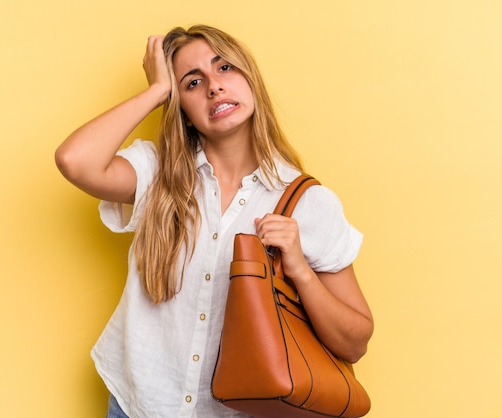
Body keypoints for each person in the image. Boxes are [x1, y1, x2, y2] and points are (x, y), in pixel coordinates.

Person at [55, 24, 373, 418]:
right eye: (192, 82)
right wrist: (156, 91)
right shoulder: (158, 174)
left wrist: (301, 270)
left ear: (250, 80)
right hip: (140, 405)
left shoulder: (307, 202)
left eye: (225, 68)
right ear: (182, 110)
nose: (214, 87)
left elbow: (355, 343)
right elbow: (75, 161)